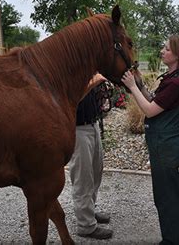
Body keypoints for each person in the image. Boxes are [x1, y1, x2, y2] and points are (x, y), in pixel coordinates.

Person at [122, 35, 179, 244]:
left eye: (166, 49)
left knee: (164, 195)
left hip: (164, 144)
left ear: (178, 55)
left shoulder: (176, 83)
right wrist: (140, 85)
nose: (162, 51)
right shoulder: (172, 78)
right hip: (165, 142)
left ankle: (172, 240)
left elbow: (149, 110)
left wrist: (132, 87)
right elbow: (154, 100)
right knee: (171, 186)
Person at [69, 74, 112, 240]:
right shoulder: (69, 70)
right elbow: (73, 97)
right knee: (83, 177)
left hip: (92, 125)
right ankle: (85, 225)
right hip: (78, 129)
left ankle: (89, 211)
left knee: (95, 172)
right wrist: (95, 81)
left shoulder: (87, 69)